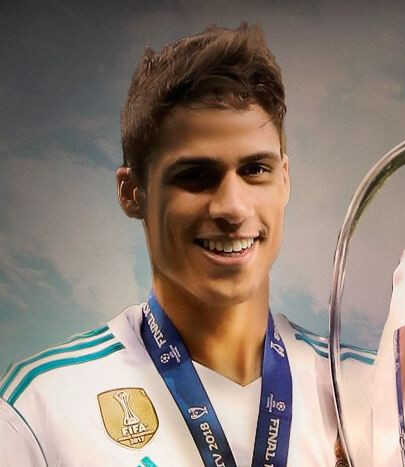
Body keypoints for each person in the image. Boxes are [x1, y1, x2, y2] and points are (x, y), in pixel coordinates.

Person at [0, 24, 347, 467]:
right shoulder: (39, 411)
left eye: (255, 170)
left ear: (285, 179)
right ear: (132, 192)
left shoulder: (371, 390)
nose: (232, 207)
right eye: (195, 176)